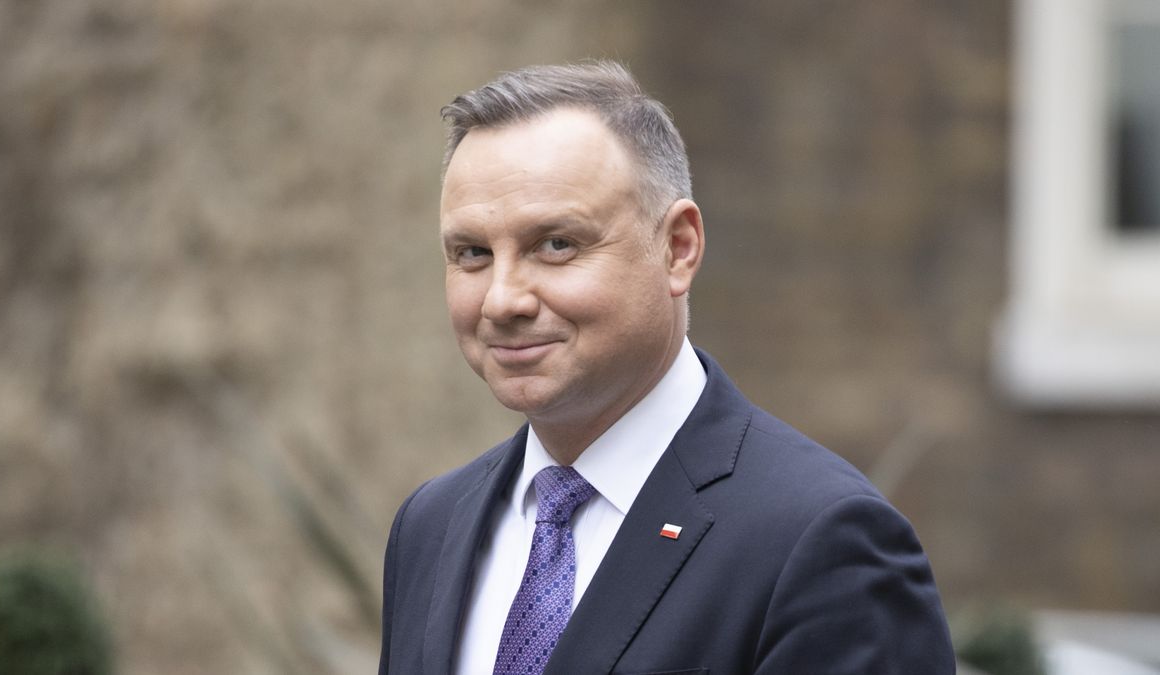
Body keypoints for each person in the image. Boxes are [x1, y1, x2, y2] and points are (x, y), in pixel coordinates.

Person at [380, 61, 954, 675]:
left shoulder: (819, 541)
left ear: (678, 247)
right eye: (472, 253)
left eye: (556, 245)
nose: (502, 301)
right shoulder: (431, 527)